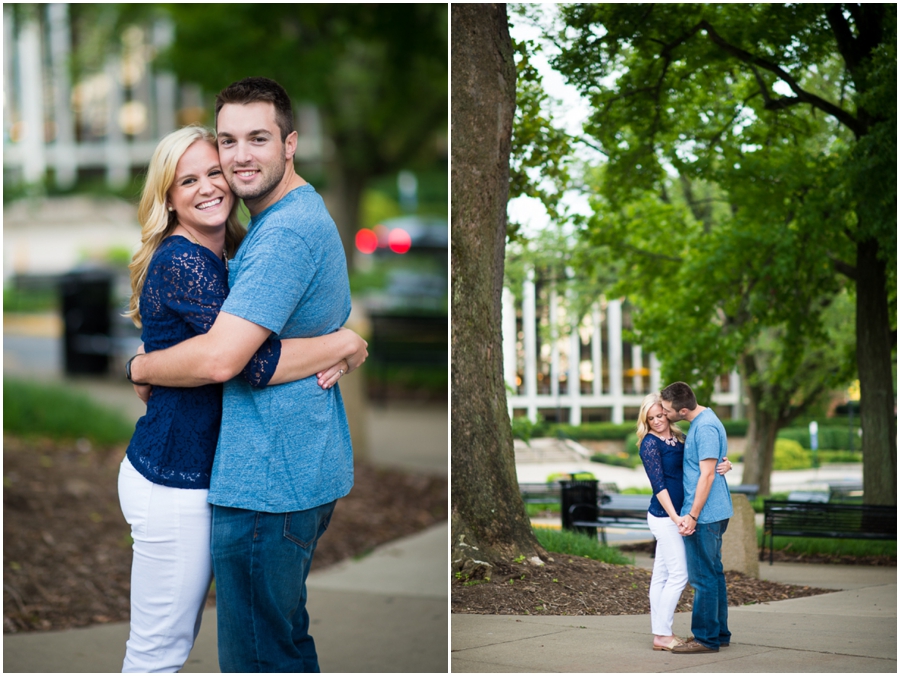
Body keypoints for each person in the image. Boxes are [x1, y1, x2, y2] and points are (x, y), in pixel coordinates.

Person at [127, 77, 357, 672]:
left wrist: (346, 342)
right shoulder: (262, 231)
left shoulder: (276, 233)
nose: (236, 159)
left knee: (262, 653)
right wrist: (345, 341)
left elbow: (231, 359)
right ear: (168, 197)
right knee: (254, 647)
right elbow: (238, 357)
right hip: (227, 472)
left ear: (290, 144)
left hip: (269, 475)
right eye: (228, 141)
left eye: (258, 138)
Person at [636, 392, 732, 652]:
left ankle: (660, 632)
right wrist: (677, 516)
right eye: (651, 417)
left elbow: (704, 461)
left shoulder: (681, 438)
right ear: (644, 420)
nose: (657, 420)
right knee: (680, 574)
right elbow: (659, 486)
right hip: (666, 516)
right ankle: (663, 635)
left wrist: (725, 464)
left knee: (663, 574)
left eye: (660, 414)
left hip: (682, 515)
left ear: (669, 413)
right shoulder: (649, 444)